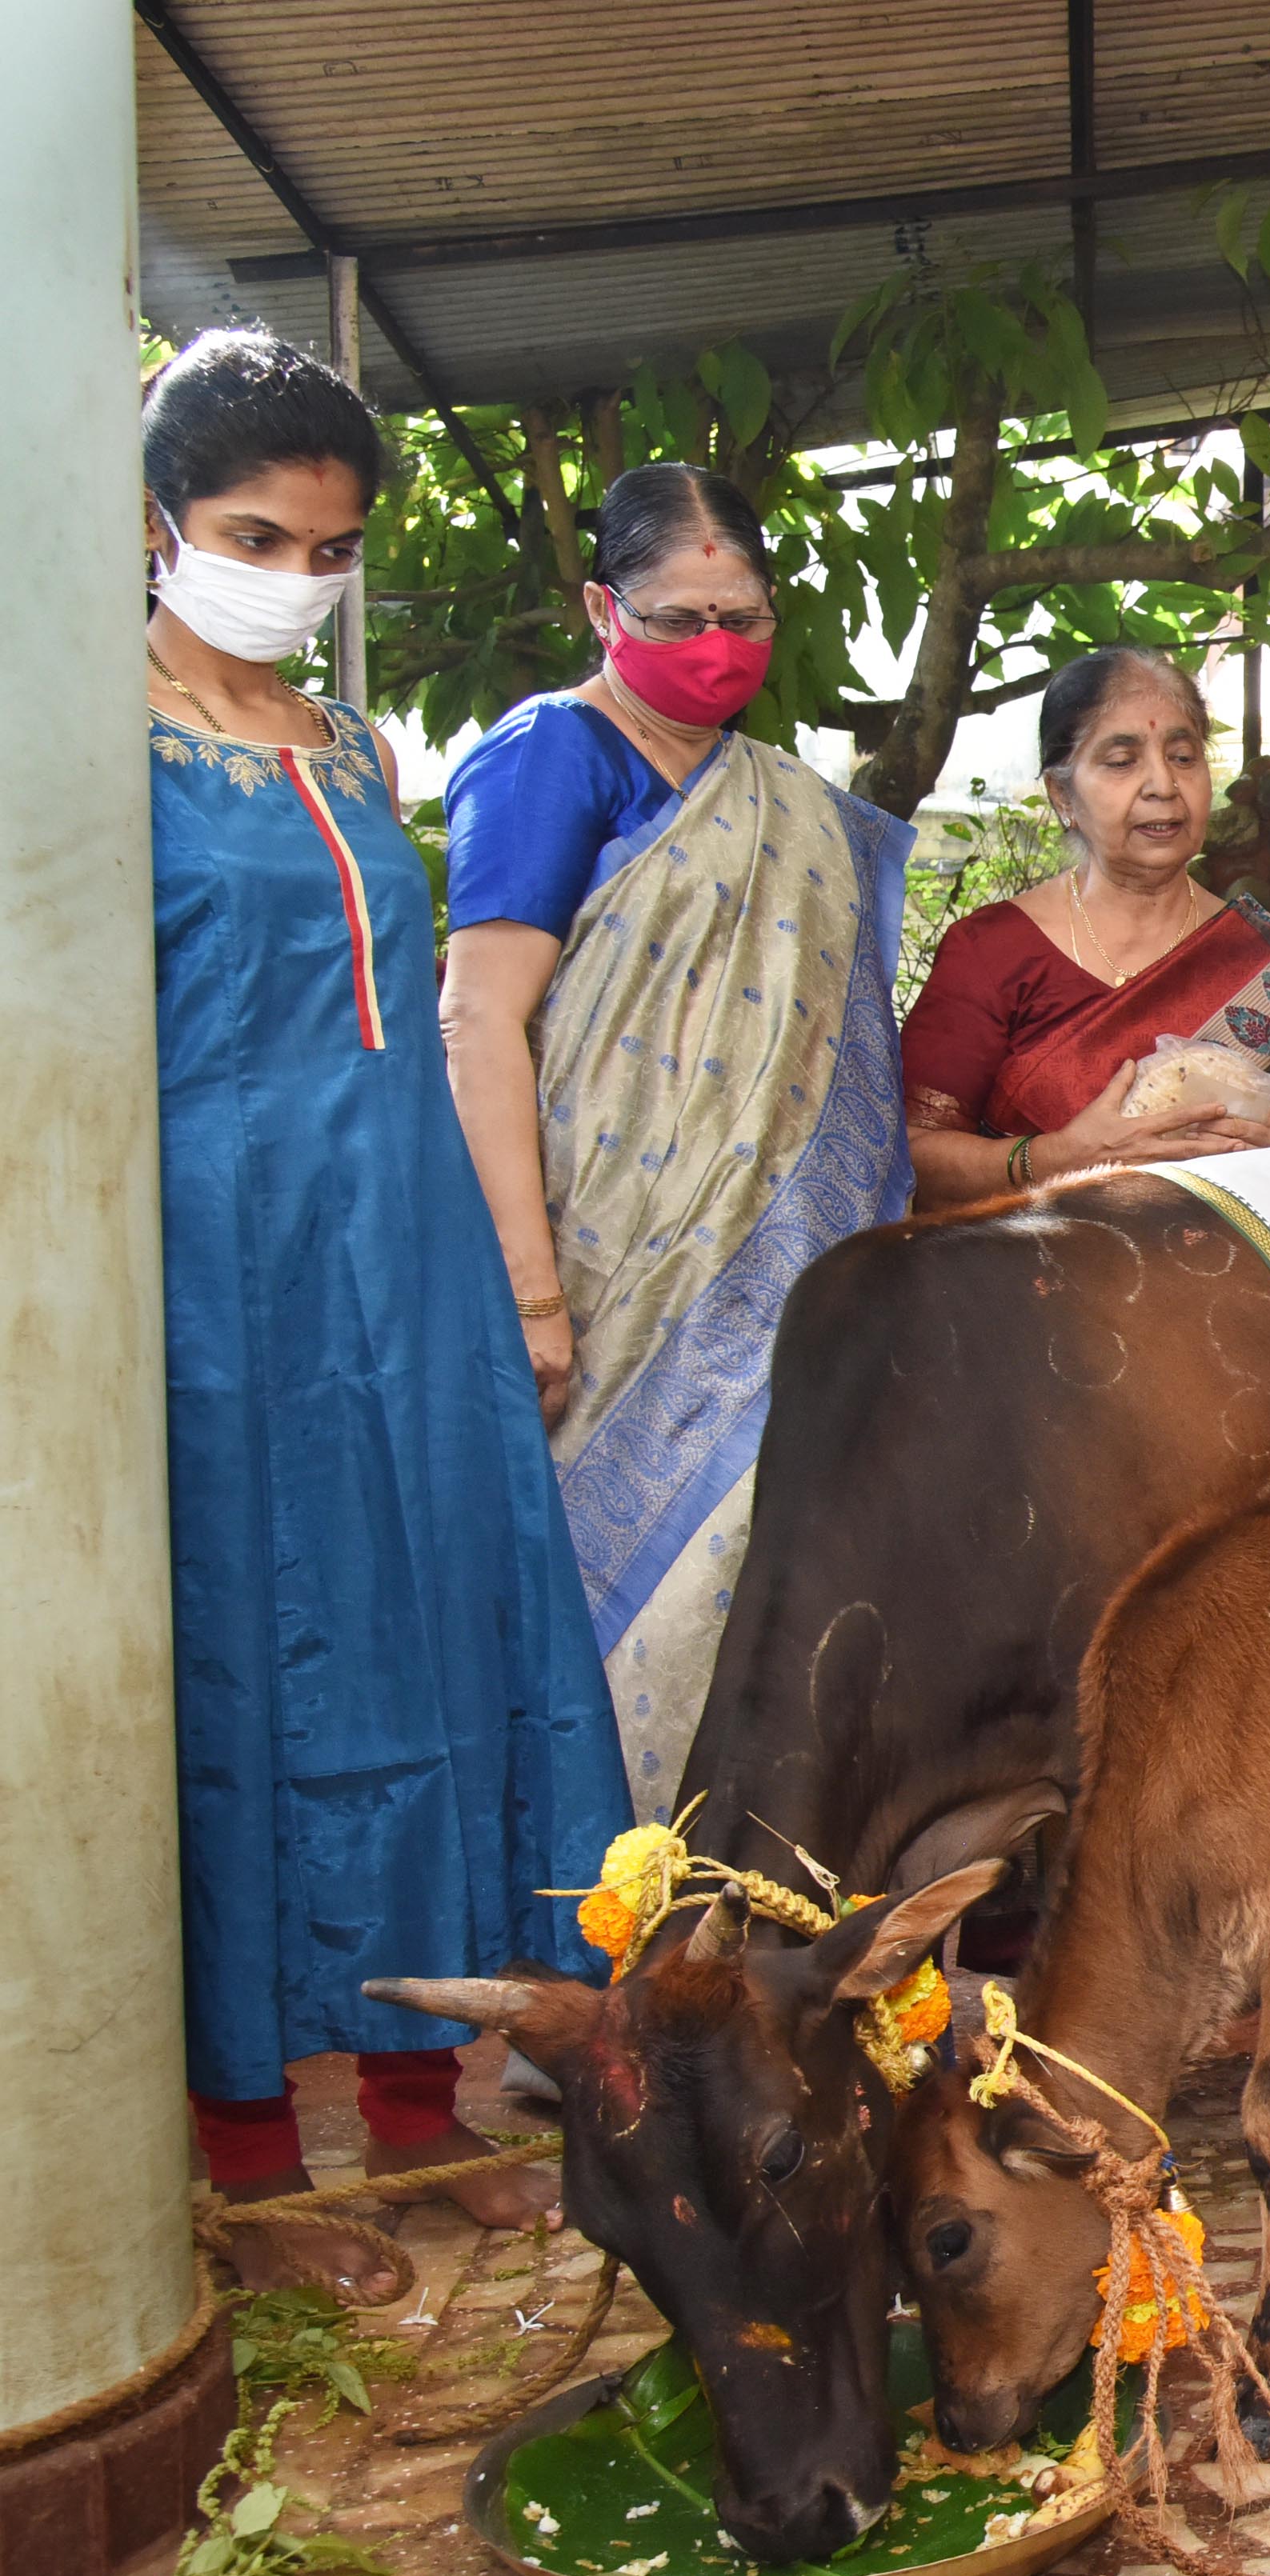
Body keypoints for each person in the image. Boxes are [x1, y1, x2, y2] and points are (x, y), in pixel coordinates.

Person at [140, 330, 626, 2293]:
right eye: (255, 535)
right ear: (155, 526)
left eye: (331, 548)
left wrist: (508, 1271)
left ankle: (425, 2115)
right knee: (258, 1671)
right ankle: (253, 2162)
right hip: (213, 1276)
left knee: (441, 1644)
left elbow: (420, 1023)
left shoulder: (349, 745)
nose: (295, 575)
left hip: (404, 1262)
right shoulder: (78, 739)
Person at [439, 465, 919, 1816]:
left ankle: (734, 1935)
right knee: (595, 1605)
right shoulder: (549, 755)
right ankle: (583, 1926)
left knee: (776, 1594)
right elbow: (478, 1021)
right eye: (676, 617)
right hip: (597, 1287)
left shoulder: (792, 802)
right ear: (603, 607)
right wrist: (532, 1290)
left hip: (782, 1292)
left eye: (744, 617)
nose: (716, 647)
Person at [899, 645, 1270, 1210]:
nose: (1163, 785)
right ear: (1062, 794)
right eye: (1122, 761)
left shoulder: (1256, 960)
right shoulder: (993, 953)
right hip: (1034, 1286)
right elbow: (910, 1157)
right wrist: (1059, 1158)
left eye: (1184, 756)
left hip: (1228, 1286)